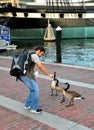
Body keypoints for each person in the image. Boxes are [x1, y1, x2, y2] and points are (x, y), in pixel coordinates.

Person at [20, 45, 54, 114]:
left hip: (22, 75)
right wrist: (48, 74)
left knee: (33, 90)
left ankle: (27, 105)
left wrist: (33, 74)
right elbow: (40, 66)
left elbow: (28, 66)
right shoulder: (35, 56)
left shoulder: (30, 54)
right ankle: (34, 108)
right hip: (26, 76)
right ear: (38, 51)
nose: (41, 56)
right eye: (41, 54)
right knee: (36, 90)